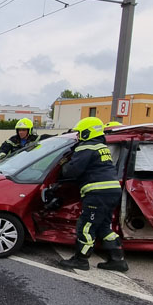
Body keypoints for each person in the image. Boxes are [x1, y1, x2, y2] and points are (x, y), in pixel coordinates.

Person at [57, 116, 127, 272]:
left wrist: (63, 166)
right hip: (112, 192)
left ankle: (81, 260)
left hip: (97, 193)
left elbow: (73, 171)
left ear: (87, 133)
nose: (78, 136)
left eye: (79, 133)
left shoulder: (85, 148)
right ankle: (117, 260)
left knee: (86, 227)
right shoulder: (102, 147)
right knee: (104, 227)